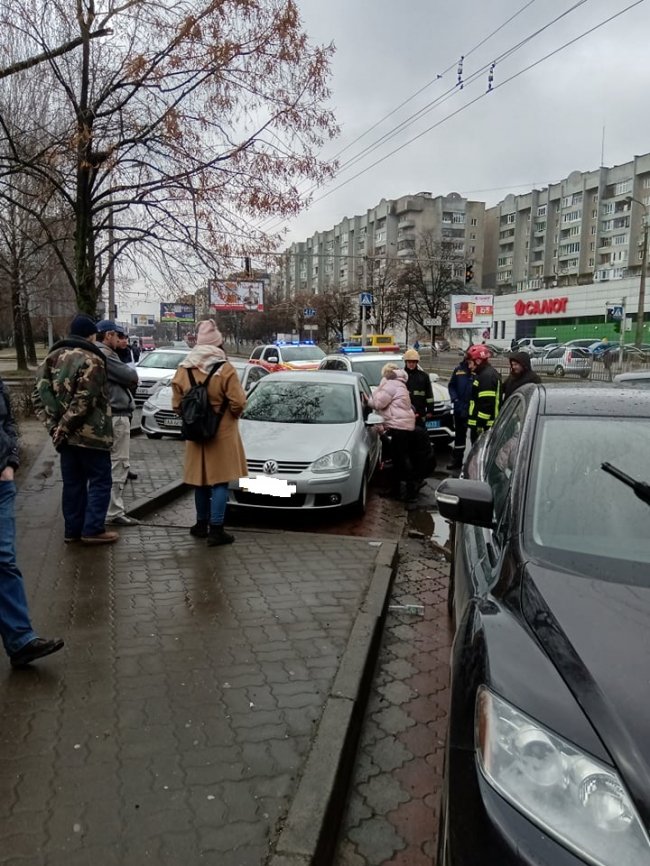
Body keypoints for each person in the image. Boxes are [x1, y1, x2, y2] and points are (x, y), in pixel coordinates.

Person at [33, 313, 118, 545]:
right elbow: (85, 399)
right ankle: (93, 529)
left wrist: (55, 428)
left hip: (65, 439)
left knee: (73, 484)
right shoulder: (93, 360)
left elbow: (38, 397)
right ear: (91, 336)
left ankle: (72, 531)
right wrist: (64, 427)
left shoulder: (49, 359)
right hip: (92, 435)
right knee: (100, 481)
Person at [0, 375, 64, 667]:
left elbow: (8, 423)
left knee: (4, 560)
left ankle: (21, 640)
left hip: (2, 483)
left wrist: (11, 461)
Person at [171, 319, 247, 546]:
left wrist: (192, 416)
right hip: (221, 432)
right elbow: (239, 402)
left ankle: (200, 525)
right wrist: (228, 415)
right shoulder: (224, 368)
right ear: (217, 343)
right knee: (220, 481)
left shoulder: (184, 368)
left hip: (195, 432)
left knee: (201, 481)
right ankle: (216, 530)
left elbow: (176, 404)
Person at [95, 320, 140, 526]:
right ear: (108, 335)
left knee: (104, 465)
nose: (120, 339)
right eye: (117, 335)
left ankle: (103, 510)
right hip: (115, 414)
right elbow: (131, 376)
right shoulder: (106, 354)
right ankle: (113, 511)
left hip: (105, 415)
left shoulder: (95, 352)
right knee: (118, 463)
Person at [365, 363, 418, 501]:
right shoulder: (400, 383)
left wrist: (368, 399)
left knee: (401, 460)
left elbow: (378, 403)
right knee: (399, 459)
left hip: (399, 426)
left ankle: (410, 493)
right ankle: (398, 490)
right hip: (403, 425)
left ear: (386, 374)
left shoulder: (390, 384)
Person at [466, 344, 502, 443]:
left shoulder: (487, 377)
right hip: (484, 426)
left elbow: (486, 404)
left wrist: (480, 425)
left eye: (470, 363)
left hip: (485, 427)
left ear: (478, 361)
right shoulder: (484, 374)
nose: (469, 366)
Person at [447, 351, 473, 471]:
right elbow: (452, 385)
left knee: (475, 437)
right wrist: (455, 399)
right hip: (459, 408)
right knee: (459, 437)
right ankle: (457, 460)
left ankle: (473, 463)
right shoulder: (458, 370)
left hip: (472, 410)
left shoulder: (476, 370)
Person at [402, 348, 434, 424]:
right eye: (409, 362)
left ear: (417, 362)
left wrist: (430, 410)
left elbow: (429, 395)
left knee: (420, 430)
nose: (411, 364)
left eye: (413, 362)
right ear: (406, 362)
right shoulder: (401, 375)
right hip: (404, 412)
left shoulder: (424, 376)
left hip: (420, 412)